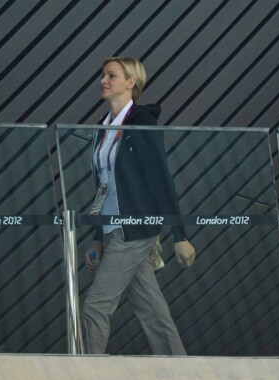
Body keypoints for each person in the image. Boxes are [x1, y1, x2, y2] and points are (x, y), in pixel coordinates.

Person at [81, 56, 196, 355]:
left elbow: (160, 178)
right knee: (151, 309)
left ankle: (87, 374)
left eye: (111, 75)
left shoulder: (142, 123)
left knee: (96, 306)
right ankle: (181, 370)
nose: (103, 81)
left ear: (131, 83)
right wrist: (97, 237)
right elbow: (103, 186)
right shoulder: (102, 128)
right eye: (102, 75)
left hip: (134, 229)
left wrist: (180, 236)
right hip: (111, 228)